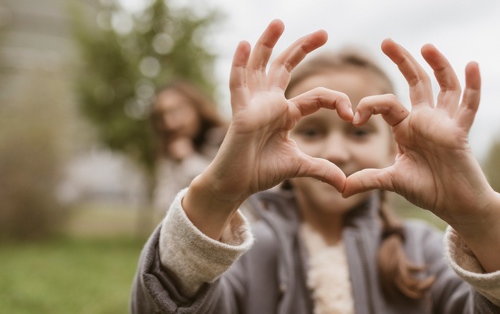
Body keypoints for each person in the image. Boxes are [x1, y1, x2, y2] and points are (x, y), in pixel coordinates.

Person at [131, 19, 500, 313]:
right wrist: (216, 196)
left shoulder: (424, 252)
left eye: (359, 134)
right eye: (311, 130)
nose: (336, 152)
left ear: (395, 149)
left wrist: (481, 218)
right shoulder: (245, 253)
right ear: (278, 142)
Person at [150, 80, 227, 216]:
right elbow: (164, 207)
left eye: (175, 111)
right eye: (162, 116)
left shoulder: (225, 140)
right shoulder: (170, 154)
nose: (169, 123)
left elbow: (224, 193)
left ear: (195, 107)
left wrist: (189, 160)